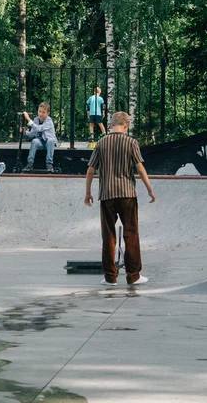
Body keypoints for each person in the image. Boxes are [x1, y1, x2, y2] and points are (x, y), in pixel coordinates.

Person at [84, 111, 156, 286]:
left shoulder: (101, 143)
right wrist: (150, 189)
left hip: (107, 195)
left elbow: (90, 170)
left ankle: (110, 278)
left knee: (108, 236)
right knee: (131, 234)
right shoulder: (131, 142)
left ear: (111, 125)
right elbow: (140, 168)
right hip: (128, 195)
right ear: (126, 125)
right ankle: (134, 276)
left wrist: (88, 193)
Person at [21, 102, 58, 172]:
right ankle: (30, 164)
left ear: (48, 113)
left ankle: (49, 164)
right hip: (41, 142)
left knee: (50, 140)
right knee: (34, 141)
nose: (41, 114)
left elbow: (39, 128)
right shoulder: (36, 120)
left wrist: (28, 119)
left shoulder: (49, 121)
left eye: (43, 112)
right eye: (39, 111)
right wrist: (24, 132)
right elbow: (32, 134)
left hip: (48, 142)